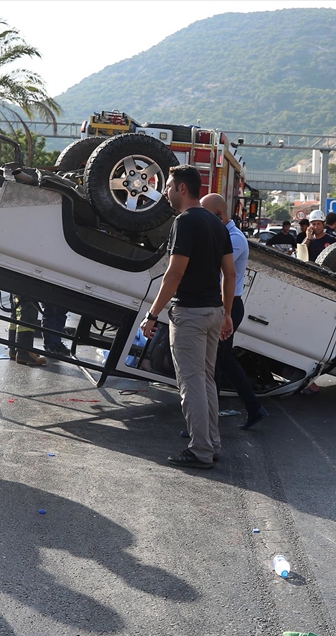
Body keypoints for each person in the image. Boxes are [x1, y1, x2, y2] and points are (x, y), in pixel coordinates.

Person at [140, 165, 235, 470]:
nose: (166, 192)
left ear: (182, 188)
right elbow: (230, 274)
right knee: (206, 381)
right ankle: (212, 444)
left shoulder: (184, 221)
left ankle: (200, 451)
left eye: (168, 186)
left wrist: (152, 314)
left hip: (190, 314)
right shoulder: (217, 224)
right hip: (213, 312)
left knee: (191, 384)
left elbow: (175, 273)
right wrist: (227, 313)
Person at [201, 193, 269, 430]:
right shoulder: (222, 235)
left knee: (219, 360)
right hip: (221, 305)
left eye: (206, 216)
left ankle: (244, 410)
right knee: (218, 360)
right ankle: (249, 409)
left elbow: (218, 270)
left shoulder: (234, 239)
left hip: (228, 306)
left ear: (219, 215)